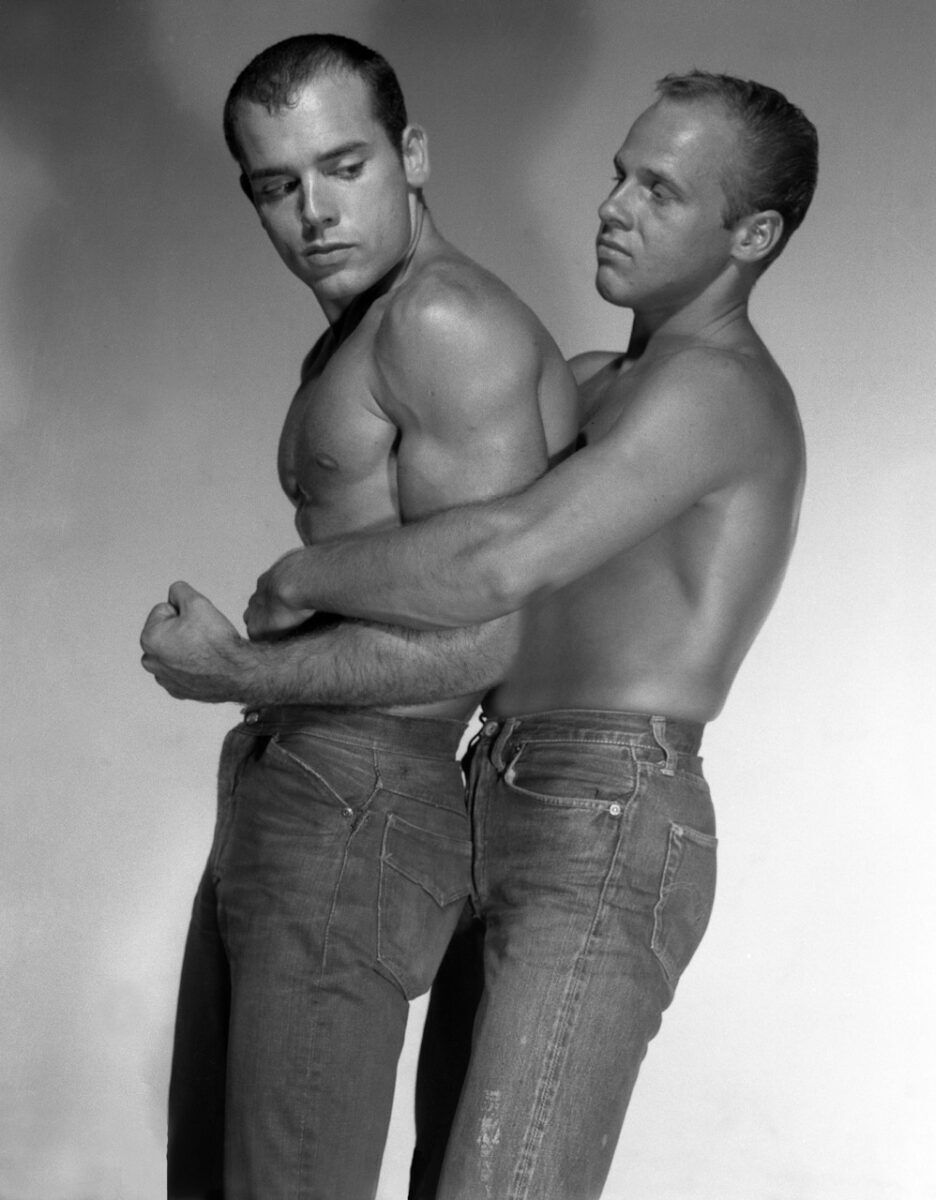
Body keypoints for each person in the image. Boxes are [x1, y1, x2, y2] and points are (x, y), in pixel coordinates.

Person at [242, 71, 819, 1199]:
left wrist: (294, 581)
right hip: (494, 795)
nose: (613, 205)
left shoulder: (719, 391)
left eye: (660, 191)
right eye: (619, 174)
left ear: (750, 234)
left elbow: (500, 556)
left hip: (607, 813)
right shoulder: (598, 380)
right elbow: (434, 491)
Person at [139, 33, 577, 1200]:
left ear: (412, 153)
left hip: (360, 799)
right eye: (277, 186)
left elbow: (481, 636)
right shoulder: (360, 331)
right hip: (300, 789)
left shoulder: (440, 324)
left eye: (343, 166)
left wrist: (238, 662)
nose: (314, 212)